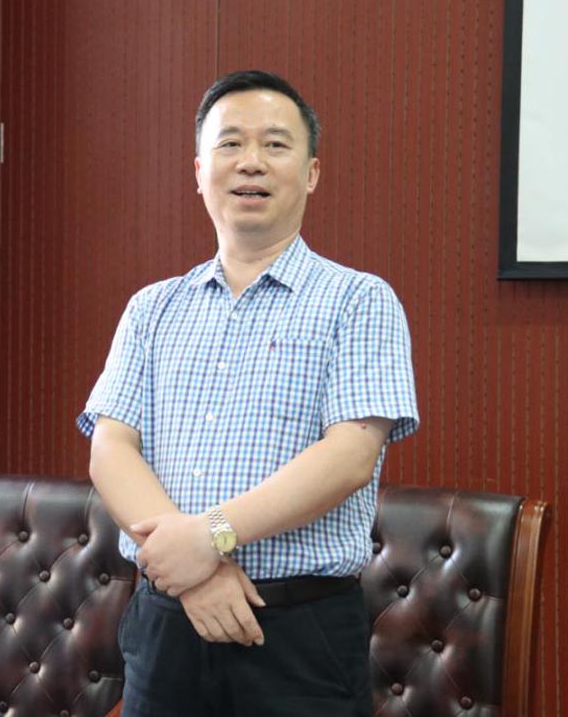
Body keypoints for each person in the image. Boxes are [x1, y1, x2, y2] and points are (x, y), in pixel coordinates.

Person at [78, 70, 419, 716]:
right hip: (166, 620)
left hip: (297, 633)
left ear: (311, 174)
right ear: (199, 171)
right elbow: (111, 447)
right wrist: (194, 573)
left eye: (275, 145)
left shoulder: (358, 300)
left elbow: (350, 457)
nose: (251, 162)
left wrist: (210, 538)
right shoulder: (152, 308)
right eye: (230, 143)